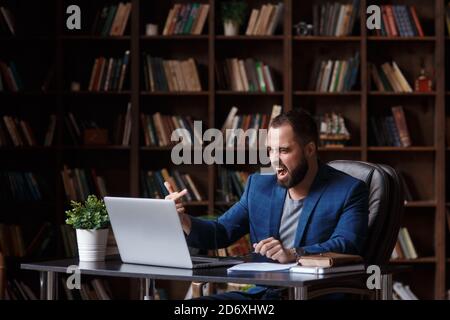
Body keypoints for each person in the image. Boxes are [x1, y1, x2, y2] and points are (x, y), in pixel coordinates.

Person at [165, 109, 369, 300]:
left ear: (309, 149)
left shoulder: (349, 190)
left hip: (314, 294)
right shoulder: (259, 186)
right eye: (270, 150)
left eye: (284, 150)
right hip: (264, 293)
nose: (274, 160)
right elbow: (221, 231)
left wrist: (293, 253)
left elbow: (347, 244)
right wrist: (183, 220)